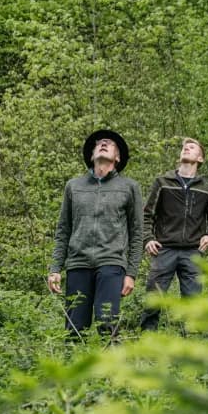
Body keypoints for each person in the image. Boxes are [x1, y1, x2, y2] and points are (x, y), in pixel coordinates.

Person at [48, 129, 143, 339]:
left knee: (107, 322)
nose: (103, 143)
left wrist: (131, 273)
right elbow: (63, 229)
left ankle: (112, 371)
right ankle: (74, 369)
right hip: (77, 263)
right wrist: (55, 268)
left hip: (111, 263)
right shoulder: (73, 186)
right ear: (91, 156)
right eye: (99, 143)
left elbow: (137, 233)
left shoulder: (129, 187)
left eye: (109, 144)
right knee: (74, 328)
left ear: (117, 157)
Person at [140, 137, 208, 331]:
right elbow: (147, 214)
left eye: (192, 147)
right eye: (184, 147)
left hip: (193, 252)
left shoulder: (207, 187)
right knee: (154, 301)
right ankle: (146, 343)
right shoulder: (162, 182)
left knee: (193, 304)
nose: (186, 149)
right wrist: (148, 239)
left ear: (200, 158)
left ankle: (191, 349)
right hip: (164, 250)